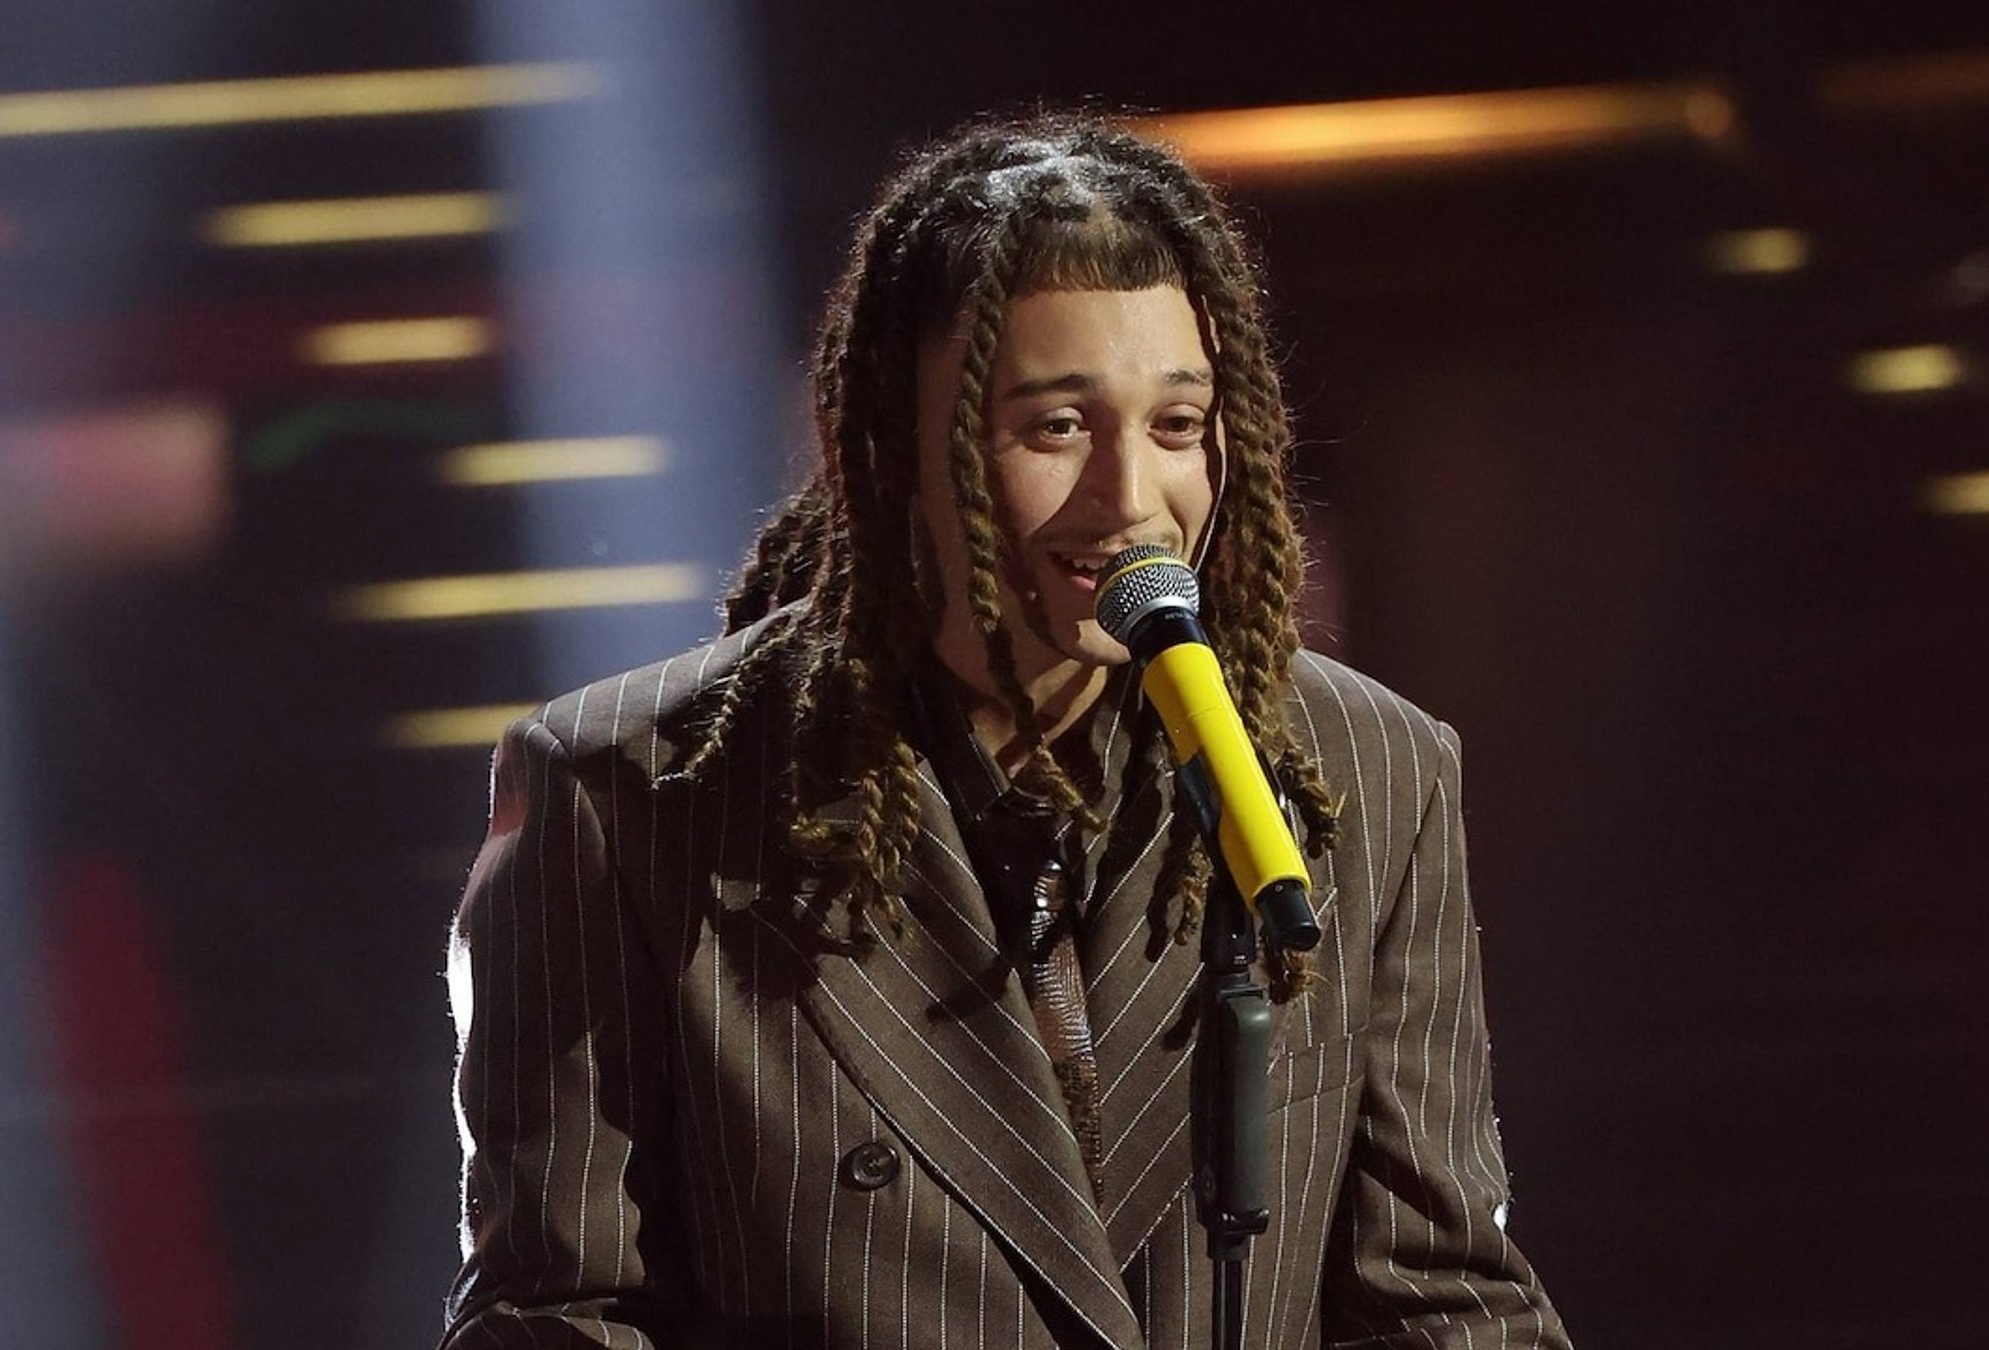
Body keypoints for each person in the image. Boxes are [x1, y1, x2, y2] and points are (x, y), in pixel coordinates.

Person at [439, 114, 1570, 1349]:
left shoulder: (1370, 769)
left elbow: (1444, 1300)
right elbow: (554, 1318)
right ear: (893, 446)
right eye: (1057, 427)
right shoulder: (631, 794)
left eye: (1177, 427)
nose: (1130, 499)